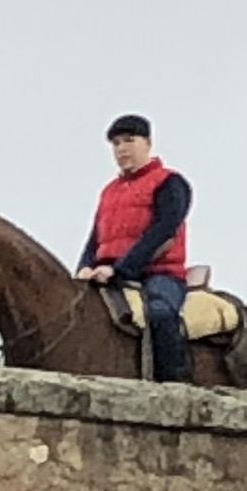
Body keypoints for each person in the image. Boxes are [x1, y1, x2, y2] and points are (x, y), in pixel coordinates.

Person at [76, 113, 192, 383]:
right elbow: (96, 237)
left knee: (161, 313)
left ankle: (176, 387)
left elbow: (163, 232)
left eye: (129, 140)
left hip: (158, 273)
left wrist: (121, 269)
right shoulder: (110, 191)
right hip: (106, 272)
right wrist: (83, 267)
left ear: (148, 143)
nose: (122, 149)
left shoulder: (170, 182)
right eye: (116, 143)